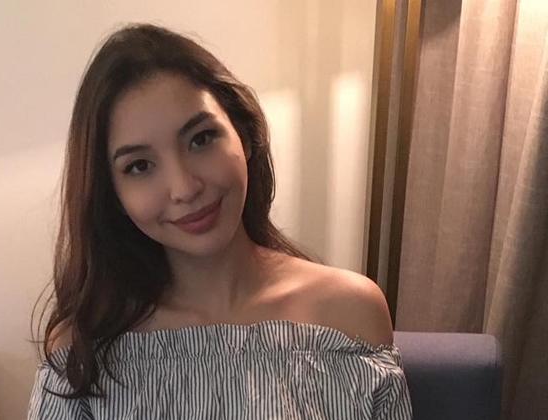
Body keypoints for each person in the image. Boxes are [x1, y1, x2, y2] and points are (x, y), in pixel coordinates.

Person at [28, 23, 412, 419]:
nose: (184, 188)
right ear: (114, 197)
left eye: (201, 139)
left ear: (243, 135)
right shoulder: (81, 350)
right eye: (140, 166)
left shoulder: (350, 314)